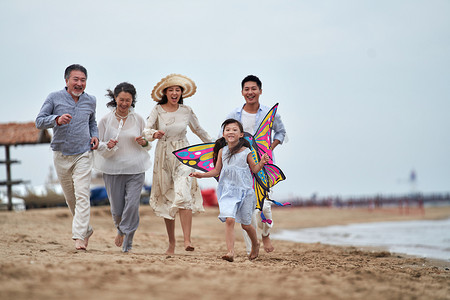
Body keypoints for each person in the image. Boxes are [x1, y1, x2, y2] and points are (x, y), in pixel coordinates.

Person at [143, 74, 212, 255]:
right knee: (168, 198)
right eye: (171, 90)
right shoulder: (157, 110)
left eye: (178, 90)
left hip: (184, 154)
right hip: (164, 155)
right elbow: (146, 130)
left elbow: (199, 130)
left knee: (183, 192)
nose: (175, 93)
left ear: (182, 93)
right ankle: (171, 243)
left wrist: (217, 144)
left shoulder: (186, 110)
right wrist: (153, 134)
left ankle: (187, 240)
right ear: (165, 92)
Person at [35, 64, 99, 250]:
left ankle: (79, 237)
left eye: (83, 80)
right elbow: (39, 121)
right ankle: (86, 230)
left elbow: (92, 122)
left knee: (82, 195)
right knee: (71, 199)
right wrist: (56, 119)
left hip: (83, 153)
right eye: (76, 79)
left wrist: (94, 135)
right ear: (67, 81)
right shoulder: (54, 98)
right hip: (61, 153)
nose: (79, 83)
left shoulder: (91, 100)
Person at [190, 119, 269, 262]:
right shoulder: (222, 151)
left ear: (241, 135)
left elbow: (255, 169)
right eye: (227, 129)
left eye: (234, 129)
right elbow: (216, 171)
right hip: (227, 192)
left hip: (245, 191)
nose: (230, 132)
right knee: (229, 220)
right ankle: (230, 252)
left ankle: (255, 243)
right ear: (224, 134)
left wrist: (262, 162)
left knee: (246, 225)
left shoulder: (246, 152)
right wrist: (201, 175)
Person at [225, 75, 287, 254]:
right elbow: (224, 137)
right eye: (246, 89)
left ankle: (266, 234)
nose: (250, 92)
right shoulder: (234, 115)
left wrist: (268, 148)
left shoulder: (269, 113)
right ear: (242, 92)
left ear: (260, 90)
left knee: (265, 206)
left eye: (253, 89)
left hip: (264, 166)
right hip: (241, 167)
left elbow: (280, 133)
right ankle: (252, 248)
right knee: (248, 209)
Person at [94, 82, 151, 253]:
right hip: (113, 170)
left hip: (136, 169)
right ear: (115, 99)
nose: (125, 103)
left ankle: (128, 241)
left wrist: (144, 142)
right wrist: (107, 145)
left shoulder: (138, 119)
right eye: (121, 100)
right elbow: (98, 145)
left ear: (132, 100)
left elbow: (147, 144)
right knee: (117, 209)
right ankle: (121, 229)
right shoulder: (105, 120)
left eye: (128, 100)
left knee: (132, 205)